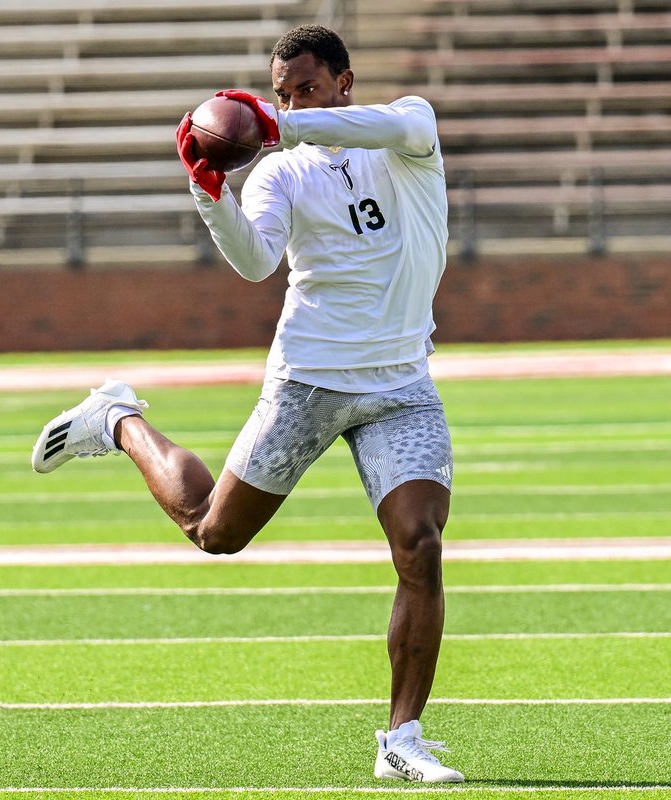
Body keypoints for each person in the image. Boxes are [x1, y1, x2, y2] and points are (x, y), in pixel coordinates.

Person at [31, 24, 461, 784]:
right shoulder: (281, 174)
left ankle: (403, 740)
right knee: (214, 532)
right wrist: (210, 191)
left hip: (400, 383)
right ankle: (118, 420)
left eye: (307, 89)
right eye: (281, 93)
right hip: (312, 379)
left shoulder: (405, 132)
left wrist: (277, 125)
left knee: (420, 545)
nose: (292, 102)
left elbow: (399, 122)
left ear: (343, 83)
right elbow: (256, 260)